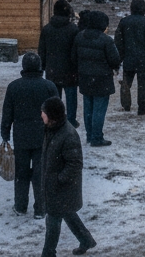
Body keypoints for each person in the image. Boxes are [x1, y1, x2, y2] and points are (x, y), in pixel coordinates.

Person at [1, 53, 58, 218]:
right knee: (41, 174)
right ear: (40, 66)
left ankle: (20, 206)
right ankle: (40, 208)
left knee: (21, 174)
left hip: (21, 136)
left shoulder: (14, 87)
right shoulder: (48, 86)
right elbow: (56, 113)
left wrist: (5, 134)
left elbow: (7, 114)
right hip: (43, 136)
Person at [39, 97, 96, 257]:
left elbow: (75, 164)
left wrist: (58, 180)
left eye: (43, 113)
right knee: (67, 213)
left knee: (53, 219)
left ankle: (48, 253)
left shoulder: (67, 135)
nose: (41, 115)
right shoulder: (52, 129)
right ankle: (86, 240)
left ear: (52, 116)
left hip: (62, 187)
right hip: (57, 186)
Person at [72, 11, 120, 146]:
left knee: (88, 108)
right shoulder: (106, 40)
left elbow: (73, 58)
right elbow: (114, 60)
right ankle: (97, 137)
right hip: (102, 79)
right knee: (99, 109)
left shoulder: (79, 37)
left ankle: (89, 135)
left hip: (85, 78)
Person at [39, 0, 81, 128]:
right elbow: (76, 51)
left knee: (54, 98)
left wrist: (43, 67)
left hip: (52, 69)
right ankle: (71, 120)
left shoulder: (47, 29)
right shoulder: (73, 29)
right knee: (71, 97)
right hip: (70, 69)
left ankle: (54, 119)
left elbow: (42, 50)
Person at [114, 0, 145, 115]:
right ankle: (142, 107)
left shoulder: (124, 22)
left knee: (126, 83)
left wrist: (120, 57)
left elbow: (118, 41)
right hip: (144, 59)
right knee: (143, 84)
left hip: (128, 58)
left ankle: (126, 104)